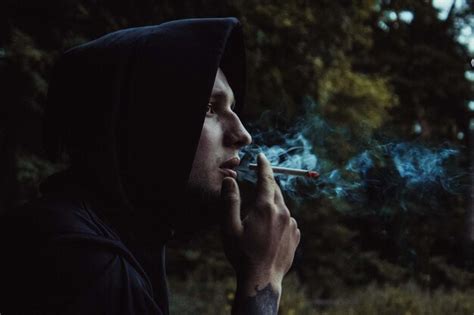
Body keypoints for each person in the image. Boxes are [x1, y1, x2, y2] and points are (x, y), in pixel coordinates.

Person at [0, 17, 300, 314]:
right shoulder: (84, 263)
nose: (242, 135)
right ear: (147, 121)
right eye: (209, 108)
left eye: (231, 108)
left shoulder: (111, 234)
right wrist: (263, 279)